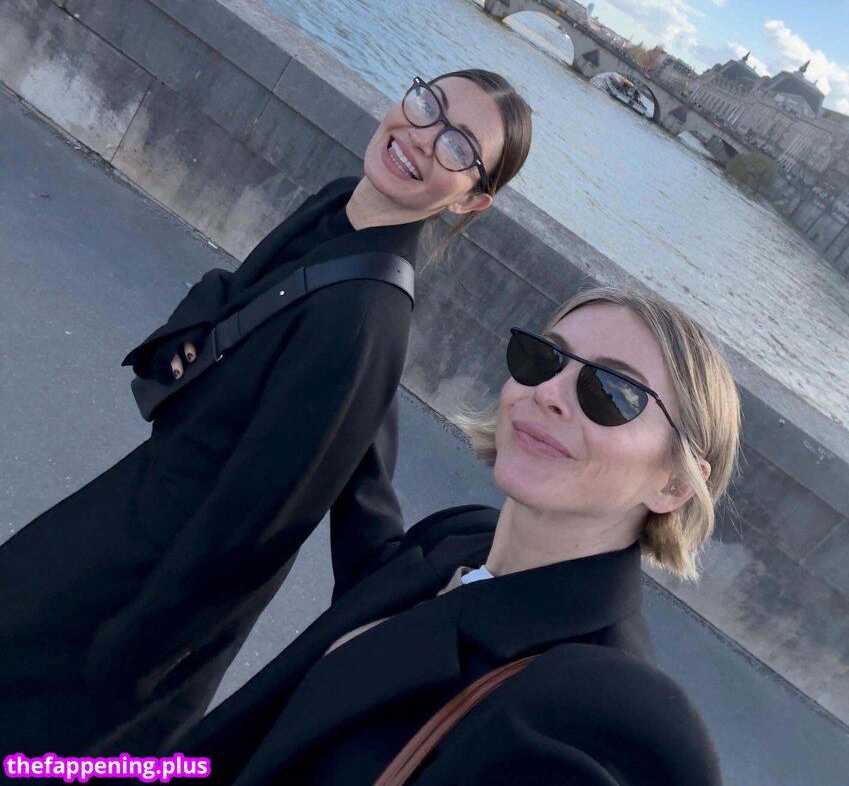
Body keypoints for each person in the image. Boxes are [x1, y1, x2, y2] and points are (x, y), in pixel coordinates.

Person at [0, 72, 532, 757]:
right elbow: (238, 295)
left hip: (143, 595)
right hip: (118, 516)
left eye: (459, 146)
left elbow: (251, 532)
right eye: (429, 104)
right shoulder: (338, 206)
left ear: (471, 200)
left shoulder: (366, 321)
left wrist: (125, 652)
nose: (424, 136)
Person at [178, 286, 740, 784]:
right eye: (544, 357)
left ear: (674, 484)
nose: (548, 392)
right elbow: (374, 586)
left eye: (612, 392)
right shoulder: (461, 538)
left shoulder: (586, 710)